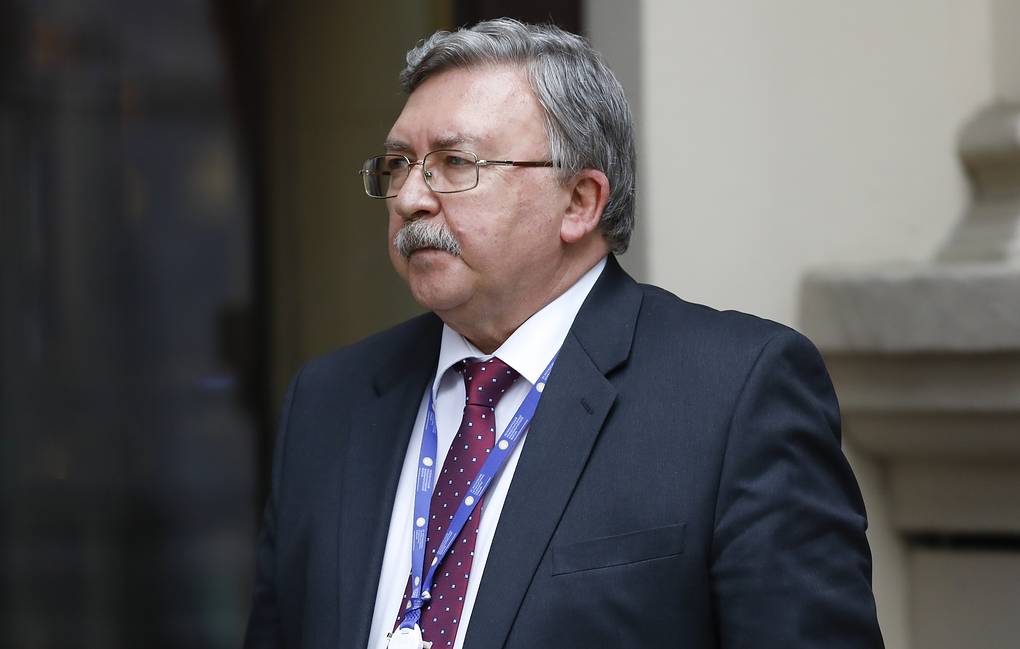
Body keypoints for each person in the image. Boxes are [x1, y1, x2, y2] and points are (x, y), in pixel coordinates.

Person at [243, 18, 884, 649]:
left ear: (579, 201)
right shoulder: (329, 402)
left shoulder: (734, 395)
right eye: (399, 164)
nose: (411, 196)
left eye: (454, 163)